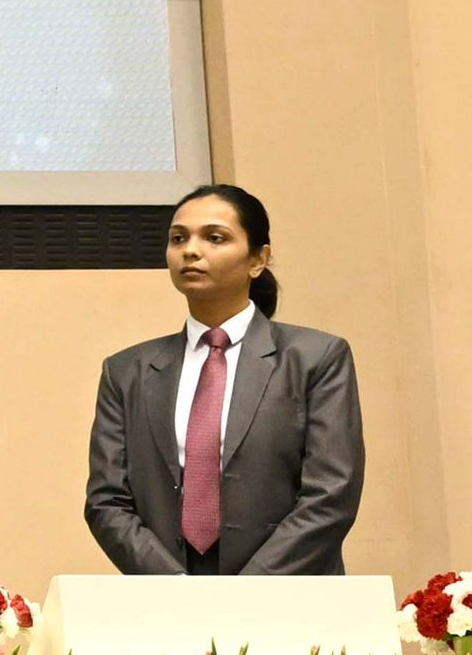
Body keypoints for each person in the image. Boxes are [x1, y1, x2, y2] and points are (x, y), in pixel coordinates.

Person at [84, 184, 363, 575]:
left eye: (214, 238)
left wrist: (245, 592)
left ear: (258, 260)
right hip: (169, 596)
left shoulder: (315, 358)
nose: (190, 250)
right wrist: (177, 588)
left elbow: (332, 493)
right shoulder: (126, 371)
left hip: (289, 591)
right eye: (178, 238)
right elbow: (106, 501)